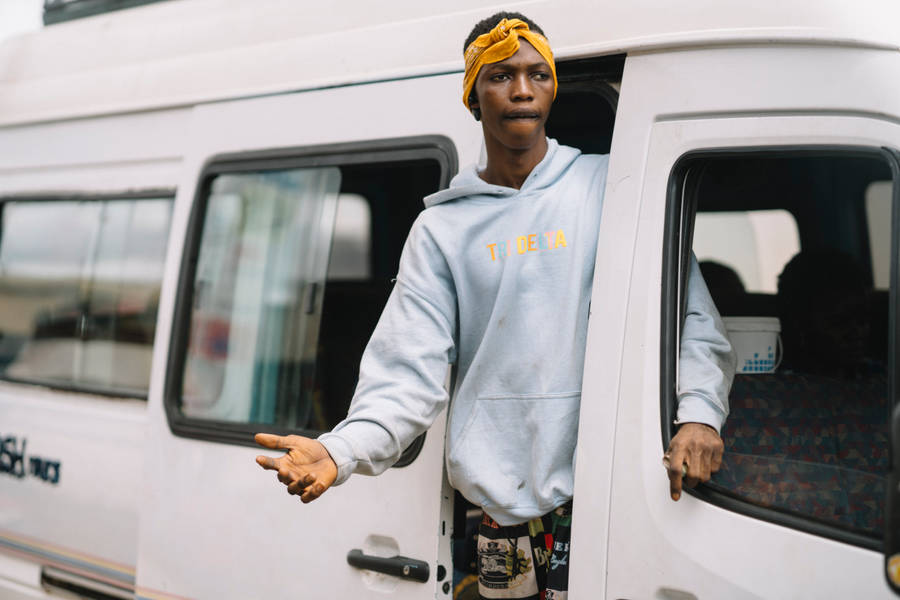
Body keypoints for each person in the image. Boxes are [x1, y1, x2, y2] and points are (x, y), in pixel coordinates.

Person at [255, 12, 735, 599]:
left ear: (554, 86)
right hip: (497, 528)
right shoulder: (443, 228)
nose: (522, 90)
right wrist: (340, 450)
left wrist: (699, 414)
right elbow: (408, 377)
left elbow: (691, 322)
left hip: (609, 510)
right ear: (472, 95)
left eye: (537, 74)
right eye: (501, 75)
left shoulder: (613, 188)